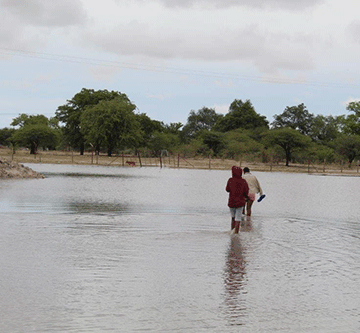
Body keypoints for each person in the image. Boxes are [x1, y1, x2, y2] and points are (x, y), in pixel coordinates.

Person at [226, 166, 249, 234]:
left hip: (231, 202)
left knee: (233, 217)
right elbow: (246, 191)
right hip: (240, 202)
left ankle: (232, 230)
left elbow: (227, 189)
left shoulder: (230, 180)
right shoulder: (243, 181)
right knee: (238, 218)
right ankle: (236, 233)